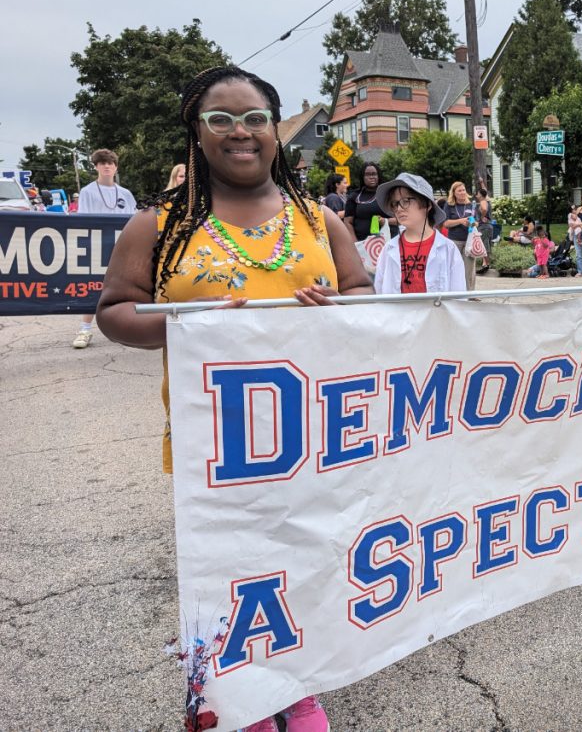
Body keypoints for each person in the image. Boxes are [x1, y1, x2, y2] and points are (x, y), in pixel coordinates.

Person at [95, 64, 372, 732]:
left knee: (302, 566)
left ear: (276, 133)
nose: (240, 132)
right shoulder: (156, 225)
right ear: (197, 132)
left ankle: (295, 685)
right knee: (228, 578)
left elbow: (364, 294)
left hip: (314, 438)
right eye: (221, 119)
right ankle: (232, 698)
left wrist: (339, 311)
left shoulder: (319, 219)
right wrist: (189, 321)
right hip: (215, 451)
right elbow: (112, 311)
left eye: (254, 119)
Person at [72, 148, 138, 348]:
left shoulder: (125, 193)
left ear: (116, 167)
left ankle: (129, 328)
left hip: (121, 248)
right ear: (96, 167)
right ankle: (85, 329)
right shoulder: (87, 192)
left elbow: (135, 220)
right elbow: (84, 221)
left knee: (125, 288)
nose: (107, 166)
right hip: (96, 247)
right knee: (93, 287)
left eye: (110, 163)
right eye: (102, 163)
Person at [373, 172, 466, 294]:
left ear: (427, 204)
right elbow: (379, 291)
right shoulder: (388, 249)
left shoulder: (448, 249)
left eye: (406, 200)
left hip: (435, 313)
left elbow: (458, 296)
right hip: (398, 313)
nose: (399, 208)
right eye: (395, 203)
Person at [441, 181, 477, 290]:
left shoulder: (472, 205)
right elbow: (445, 223)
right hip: (454, 241)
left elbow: (478, 222)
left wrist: (473, 222)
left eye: (464, 190)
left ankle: (470, 294)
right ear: (454, 193)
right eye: (459, 190)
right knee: (454, 267)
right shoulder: (449, 205)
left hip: (469, 241)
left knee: (469, 268)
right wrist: (460, 221)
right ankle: (454, 292)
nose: (462, 192)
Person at [344, 161, 385, 240]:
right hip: (361, 244)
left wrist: (386, 221)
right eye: (367, 174)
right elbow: (348, 222)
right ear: (362, 177)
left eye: (374, 174)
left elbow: (398, 220)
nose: (371, 177)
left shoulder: (387, 194)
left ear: (378, 175)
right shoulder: (354, 196)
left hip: (386, 242)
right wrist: (355, 243)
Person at [474, 186, 492, 273]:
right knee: (486, 244)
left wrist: (481, 217)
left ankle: (486, 264)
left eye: (478, 194)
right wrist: (481, 183)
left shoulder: (483, 201)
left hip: (484, 226)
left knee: (484, 245)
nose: (476, 195)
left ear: (481, 195)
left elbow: (484, 209)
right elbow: (485, 190)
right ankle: (485, 264)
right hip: (487, 226)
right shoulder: (487, 200)